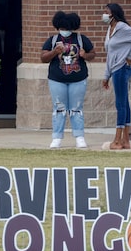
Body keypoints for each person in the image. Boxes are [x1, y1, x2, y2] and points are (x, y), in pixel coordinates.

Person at [41, 11, 96, 149]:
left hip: (78, 79)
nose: (64, 31)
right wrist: (54, 52)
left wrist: (85, 55)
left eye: (67, 28)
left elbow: (93, 54)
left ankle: (79, 136)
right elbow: (43, 58)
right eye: (62, 28)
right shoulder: (53, 40)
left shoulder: (81, 39)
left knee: (76, 108)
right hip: (57, 79)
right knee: (59, 108)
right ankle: (57, 137)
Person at [101, 3, 131, 150]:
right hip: (115, 69)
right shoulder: (110, 29)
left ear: (113, 14)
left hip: (122, 68)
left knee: (120, 104)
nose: (104, 14)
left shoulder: (122, 27)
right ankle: (126, 140)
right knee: (124, 103)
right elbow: (110, 54)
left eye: (106, 12)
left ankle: (117, 139)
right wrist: (106, 75)